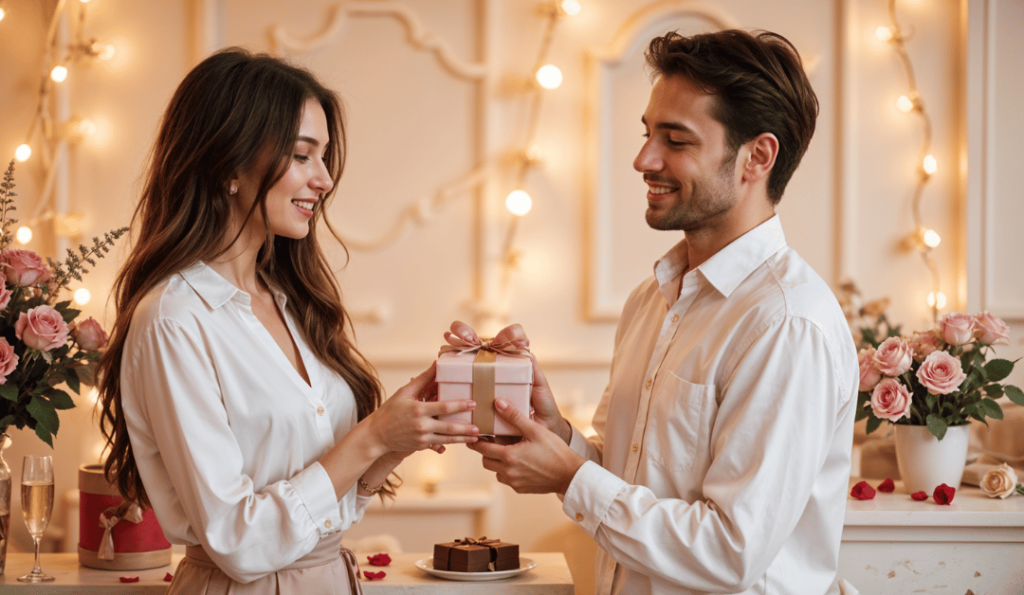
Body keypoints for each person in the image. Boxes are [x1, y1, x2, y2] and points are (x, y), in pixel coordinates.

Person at [464, 29, 859, 595]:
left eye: (675, 139)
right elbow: (632, 480)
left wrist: (571, 477)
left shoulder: (788, 324)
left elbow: (731, 551)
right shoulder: (651, 299)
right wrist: (559, 436)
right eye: (649, 134)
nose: (644, 159)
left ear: (758, 156)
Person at [96, 48, 480, 594]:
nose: (323, 180)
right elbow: (237, 541)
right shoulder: (174, 320)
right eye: (303, 156)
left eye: (324, 158)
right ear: (228, 162)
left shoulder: (290, 300)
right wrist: (371, 437)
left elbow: (332, 503)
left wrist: (403, 431)